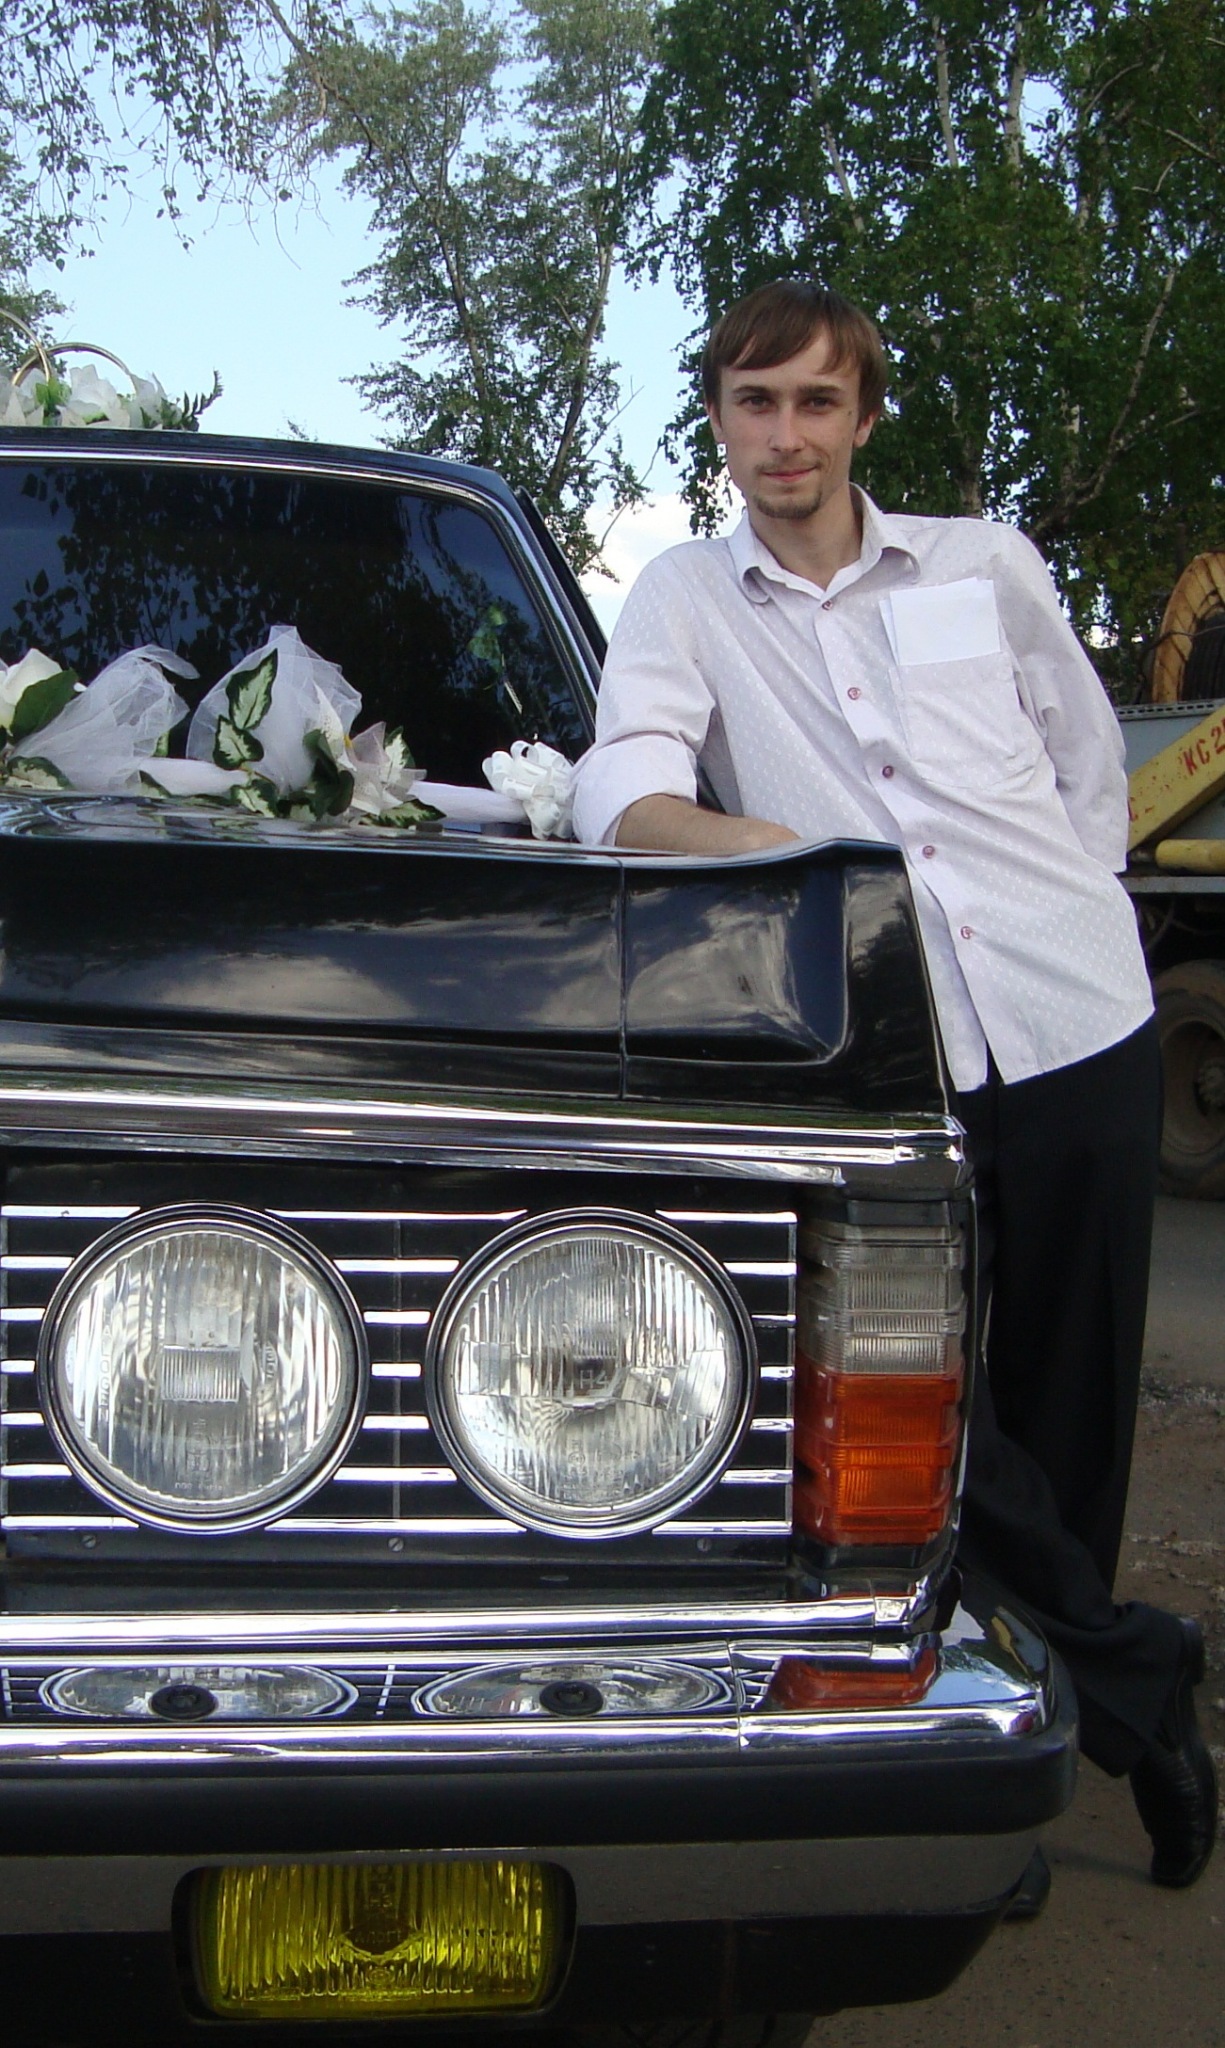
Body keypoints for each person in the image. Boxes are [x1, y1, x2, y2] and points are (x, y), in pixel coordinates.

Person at [571, 279, 1217, 1902]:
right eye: (753, 402)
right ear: (717, 421)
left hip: (1075, 1020)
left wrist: (1071, 905)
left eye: (814, 401)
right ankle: (1135, 1680)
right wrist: (817, 859)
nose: (783, 435)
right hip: (887, 1054)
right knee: (916, 1414)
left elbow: (1081, 760)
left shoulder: (982, 566)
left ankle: (1044, 1734)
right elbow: (626, 795)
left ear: (863, 415)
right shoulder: (684, 599)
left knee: (1071, 1409)